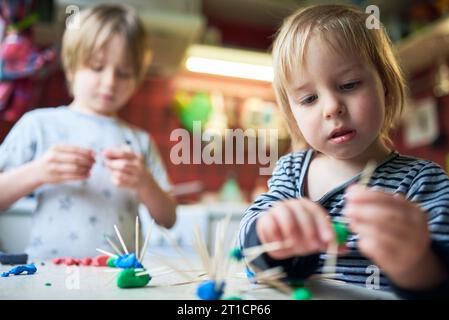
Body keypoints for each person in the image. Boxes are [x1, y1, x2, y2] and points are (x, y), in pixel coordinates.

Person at [239, 4, 449, 298]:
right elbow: (250, 246)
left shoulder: (421, 181)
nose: (331, 108)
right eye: (309, 98)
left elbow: (441, 278)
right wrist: (268, 232)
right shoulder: (291, 171)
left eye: (349, 85)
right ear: (292, 114)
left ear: (385, 88)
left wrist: (415, 261)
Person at [0, 4, 177, 259]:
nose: (110, 82)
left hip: (118, 282)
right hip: (48, 277)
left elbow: (168, 218)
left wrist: (145, 183)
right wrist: (38, 171)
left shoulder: (140, 141)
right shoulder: (38, 125)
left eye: (124, 73)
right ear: (71, 67)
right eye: (96, 67)